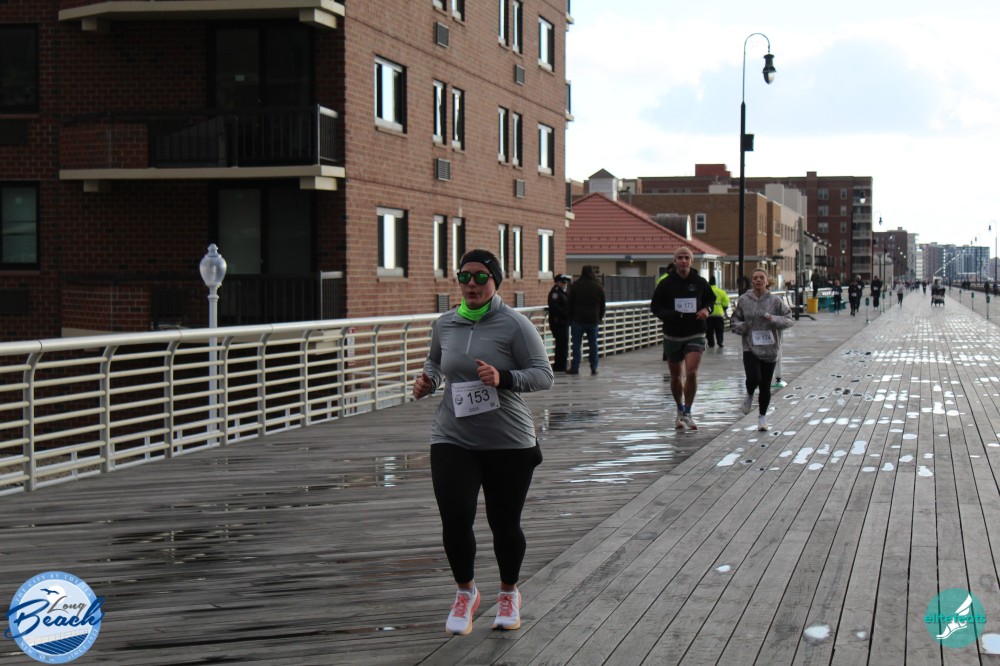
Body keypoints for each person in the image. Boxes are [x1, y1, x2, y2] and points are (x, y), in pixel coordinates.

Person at [411, 249, 553, 636]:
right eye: (464, 277)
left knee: (503, 523)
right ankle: (466, 592)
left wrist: (504, 377)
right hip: (453, 436)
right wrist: (427, 381)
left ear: (495, 281)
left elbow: (544, 375)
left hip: (508, 441)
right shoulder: (445, 324)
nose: (471, 284)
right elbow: (435, 362)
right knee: (455, 517)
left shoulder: (515, 324)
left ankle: (508, 593)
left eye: (480, 277)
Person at [650, 246, 715, 430]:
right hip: (673, 334)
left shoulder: (700, 282)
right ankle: (679, 410)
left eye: (687, 258)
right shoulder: (665, 284)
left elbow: (710, 300)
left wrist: (706, 309)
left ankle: (688, 411)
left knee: (692, 372)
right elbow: (655, 307)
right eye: (680, 258)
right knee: (676, 375)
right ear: (675, 261)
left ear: (692, 261)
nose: (684, 261)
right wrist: (671, 314)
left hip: (695, 332)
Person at [731, 268, 795, 431]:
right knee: (754, 377)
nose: (758, 280)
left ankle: (762, 418)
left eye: (761, 278)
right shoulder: (744, 299)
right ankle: (749, 393)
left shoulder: (775, 300)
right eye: (755, 278)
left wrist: (773, 319)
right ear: (752, 281)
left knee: (765, 385)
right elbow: (734, 320)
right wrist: (743, 326)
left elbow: (789, 319)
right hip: (750, 346)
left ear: (767, 281)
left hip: (770, 348)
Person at [567, 266, 606, 375]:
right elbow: (602, 305)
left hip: (578, 319)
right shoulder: (598, 287)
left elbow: (569, 304)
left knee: (576, 344)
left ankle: (575, 367)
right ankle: (594, 367)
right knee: (593, 344)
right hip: (593, 320)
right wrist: (599, 318)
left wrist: (570, 318)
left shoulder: (576, 286)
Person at [547, 274, 571, 372]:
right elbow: (554, 307)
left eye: (566, 282)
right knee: (561, 345)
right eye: (563, 282)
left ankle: (562, 365)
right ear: (558, 282)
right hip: (559, 322)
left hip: (564, 322)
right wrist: (566, 314)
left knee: (563, 344)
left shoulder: (563, 292)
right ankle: (560, 366)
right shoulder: (555, 293)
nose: (565, 284)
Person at [706, 275, 730, 349]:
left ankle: (711, 343)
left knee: (709, 330)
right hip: (719, 314)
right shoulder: (721, 291)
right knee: (719, 329)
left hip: (709, 314)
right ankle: (720, 341)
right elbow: (726, 302)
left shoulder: (706, 291)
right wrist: (724, 308)